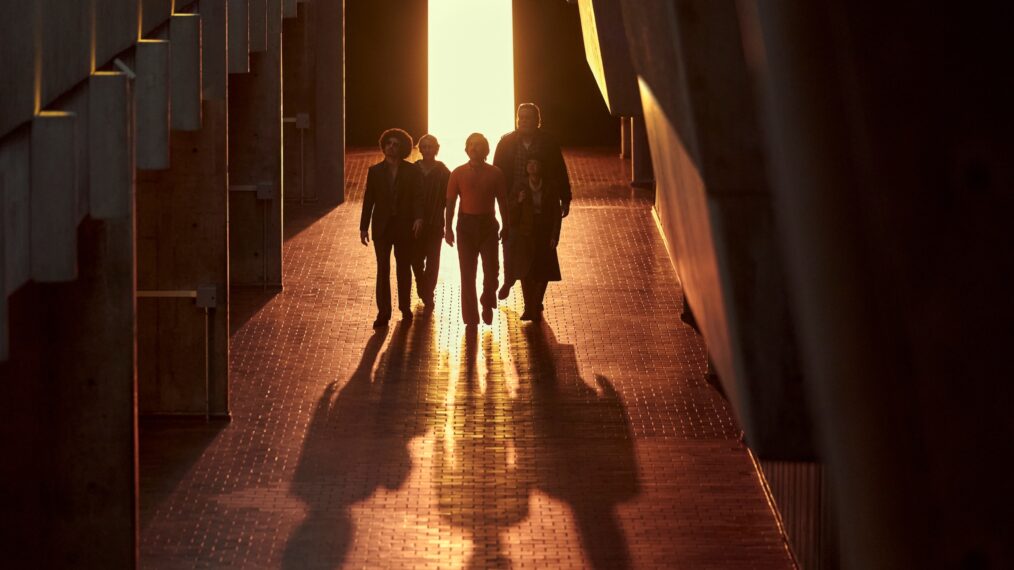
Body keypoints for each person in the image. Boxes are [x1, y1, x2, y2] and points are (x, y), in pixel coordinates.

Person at [493, 103, 572, 300]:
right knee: (514, 244)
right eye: (521, 117)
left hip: (541, 202)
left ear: (537, 120)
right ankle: (512, 280)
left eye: (528, 117)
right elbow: (497, 171)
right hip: (516, 204)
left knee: (540, 249)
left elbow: (559, 169)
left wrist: (565, 197)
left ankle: (535, 300)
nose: (523, 121)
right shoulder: (507, 143)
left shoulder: (547, 142)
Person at [360, 128, 423, 329]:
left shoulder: (412, 171)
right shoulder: (375, 171)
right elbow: (369, 200)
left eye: (396, 144)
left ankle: (405, 307)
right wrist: (363, 227)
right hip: (382, 228)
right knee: (382, 269)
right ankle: (383, 313)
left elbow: (417, 196)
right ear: (384, 146)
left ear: (402, 147)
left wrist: (419, 217)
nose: (392, 147)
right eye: (389, 143)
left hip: (404, 226)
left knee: (403, 268)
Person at [444, 133, 509, 326]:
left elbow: (503, 202)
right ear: (466, 149)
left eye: (478, 145)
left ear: (486, 150)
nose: (474, 148)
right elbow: (450, 202)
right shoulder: (457, 173)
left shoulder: (496, 173)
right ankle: (471, 319)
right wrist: (447, 228)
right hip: (465, 226)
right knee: (467, 273)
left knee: (491, 270)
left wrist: (506, 225)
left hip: (488, 225)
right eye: (471, 145)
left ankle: (487, 300)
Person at [506, 156, 562, 321]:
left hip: (544, 231)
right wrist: (519, 200)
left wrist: (554, 235)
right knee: (526, 270)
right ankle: (528, 306)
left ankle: (536, 301)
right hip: (527, 230)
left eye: (536, 163)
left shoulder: (550, 186)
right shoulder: (520, 185)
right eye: (529, 163)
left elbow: (556, 213)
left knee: (543, 269)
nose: (533, 166)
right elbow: (511, 209)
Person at [411, 134, 451, 309]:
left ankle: (428, 292)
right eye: (424, 147)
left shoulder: (443, 172)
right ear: (420, 149)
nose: (427, 150)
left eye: (430, 147)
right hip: (414, 223)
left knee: (433, 261)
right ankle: (422, 286)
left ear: (436, 149)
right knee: (416, 259)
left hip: (435, 222)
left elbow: (449, 198)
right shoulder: (412, 170)